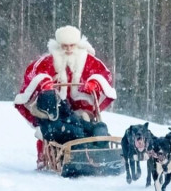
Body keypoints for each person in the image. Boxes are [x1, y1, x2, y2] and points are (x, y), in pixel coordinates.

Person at [14, 25, 117, 169]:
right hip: (56, 109)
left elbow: (104, 75)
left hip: (81, 109)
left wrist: (95, 83)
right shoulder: (47, 62)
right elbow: (33, 77)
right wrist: (45, 83)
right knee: (53, 128)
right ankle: (46, 156)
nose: (68, 49)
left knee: (87, 124)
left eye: (72, 45)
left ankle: (91, 151)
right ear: (58, 45)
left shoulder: (89, 61)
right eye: (64, 46)